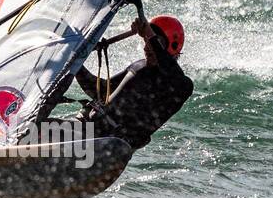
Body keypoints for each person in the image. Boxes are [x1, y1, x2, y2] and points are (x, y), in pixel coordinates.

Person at [74, 15, 193, 150]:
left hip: (110, 148)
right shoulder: (139, 66)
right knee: (45, 128)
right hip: (86, 129)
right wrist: (76, 64)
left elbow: (171, 71)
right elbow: (101, 92)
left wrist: (148, 32)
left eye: (155, 41)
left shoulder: (180, 86)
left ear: (172, 46)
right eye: (146, 40)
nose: (147, 46)